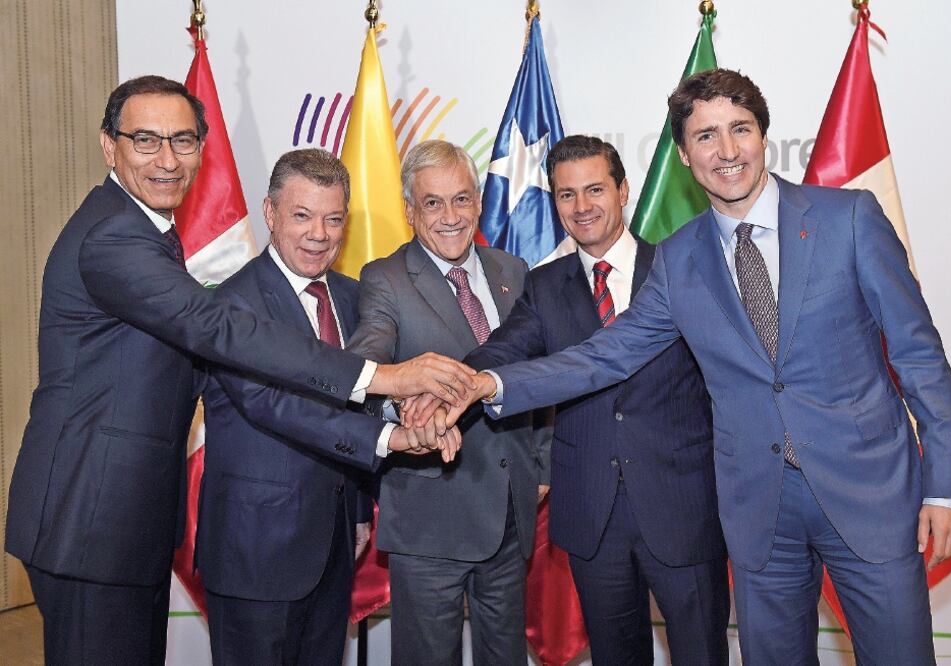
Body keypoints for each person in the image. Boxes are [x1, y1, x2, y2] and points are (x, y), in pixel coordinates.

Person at [438, 69, 951, 665]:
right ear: (684, 155)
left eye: (739, 129)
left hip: (870, 494)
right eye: (705, 136)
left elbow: (919, 355)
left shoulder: (849, 218)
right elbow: (606, 354)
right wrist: (487, 382)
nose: (726, 150)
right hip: (760, 513)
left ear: (763, 136)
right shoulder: (677, 260)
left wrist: (947, 487)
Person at [4, 76, 473, 665]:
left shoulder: (148, 231)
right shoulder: (113, 236)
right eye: (146, 140)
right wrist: (385, 379)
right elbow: (221, 330)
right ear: (109, 146)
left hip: (125, 517)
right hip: (91, 517)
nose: (168, 159)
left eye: (183, 140)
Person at [465, 135, 729, 665]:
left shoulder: (683, 269)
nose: (581, 206)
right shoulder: (543, 286)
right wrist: (443, 383)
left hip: (682, 509)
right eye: (567, 194)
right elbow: (501, 353)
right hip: (593, 514)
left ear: (623, 190)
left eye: (595, 189)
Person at [195, 149, 458, 665]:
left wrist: (360, 504)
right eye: (302, 215)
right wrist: (393, 439)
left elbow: (360, 399)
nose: (319, 234)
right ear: (270, 213)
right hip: (255, 551)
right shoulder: (233, 305)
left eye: (333, 219)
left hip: (334, 541)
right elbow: (277, 405)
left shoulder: (352, 295)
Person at [347, 140, 550, 665]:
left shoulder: (513, 270)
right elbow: (364, 370)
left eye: (461, 199)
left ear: (479, 202)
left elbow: (540, 370)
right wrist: (403, 413)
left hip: (511, 514)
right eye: (433, 203)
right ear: (409, 210)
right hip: (429, 518)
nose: (451, 216)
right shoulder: (385, 279)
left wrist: (542, 462)